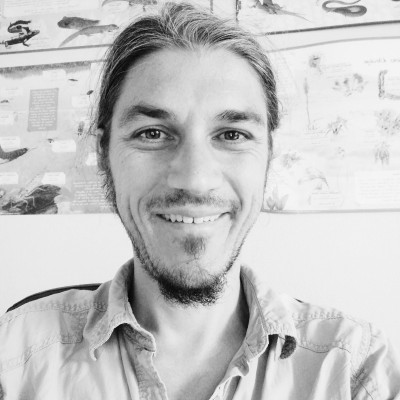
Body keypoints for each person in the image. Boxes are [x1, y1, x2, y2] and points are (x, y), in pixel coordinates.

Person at [0, 3, 399, 399]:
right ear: (104, 155)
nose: (194, 179)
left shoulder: (355, 371)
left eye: (232, 135)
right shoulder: (13, 359)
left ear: (268, 154)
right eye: (152, 133)